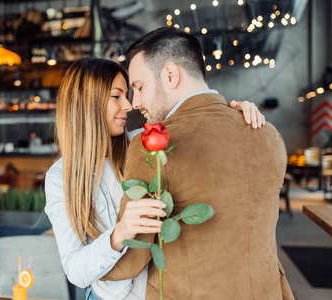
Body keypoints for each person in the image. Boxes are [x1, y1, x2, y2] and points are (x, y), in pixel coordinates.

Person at [44, 57, 266, 300]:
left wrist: (233, 116)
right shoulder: (60, 177)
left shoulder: (146, 142)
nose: (129, 105)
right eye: (117, 96)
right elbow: (75, 271)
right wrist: (120, 232)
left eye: (128, 94)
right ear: (87, 103)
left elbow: (198, 127)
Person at [102, 27, 294, 299]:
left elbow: (133, 259)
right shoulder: (267, 132)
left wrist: (87, 265)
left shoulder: (152, 146)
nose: (136, 102)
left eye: (139, 87)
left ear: (170, 75)